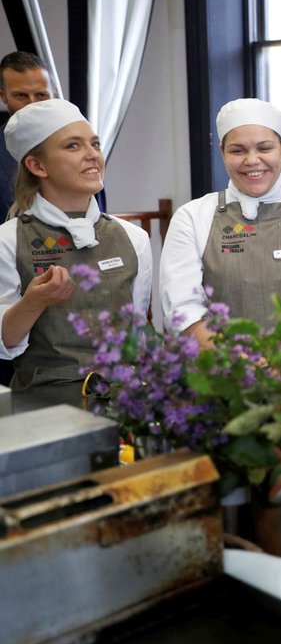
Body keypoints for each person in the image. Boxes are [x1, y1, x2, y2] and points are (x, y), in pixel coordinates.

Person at [159, 98, 281, 343]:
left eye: (264, 148)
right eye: (238, 150)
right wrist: (231, 359)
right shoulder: (191, 218)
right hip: (220, 374)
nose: (252, 160)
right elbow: (182, 305)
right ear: (222, 152)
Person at [0, 98, 152, 390]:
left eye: (94, 144)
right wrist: (35, 302)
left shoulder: (134, 238)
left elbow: (137, 336)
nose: (92, 155)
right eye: (73, 146)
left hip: (122, 402)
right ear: (37, 165)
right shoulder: (8, 240)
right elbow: (5, 343)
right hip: (43, 406)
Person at [0, 52, 56, 222]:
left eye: (41, 95)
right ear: (3, 96)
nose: (33, 104)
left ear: (54, 93)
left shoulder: (81, 146)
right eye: (21, 96)